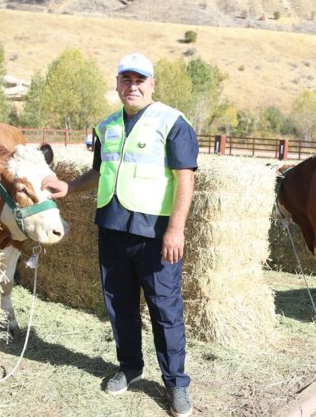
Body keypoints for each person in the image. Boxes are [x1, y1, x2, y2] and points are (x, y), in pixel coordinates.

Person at [42, 52, 199, 416]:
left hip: (155, 236)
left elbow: (185, 179)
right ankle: (129, 367)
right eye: (126, 80)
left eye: (139, 80)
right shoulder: (107, 126)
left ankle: (175, 384)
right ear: (116, 84)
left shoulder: (172, 122)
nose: (132, 86)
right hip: (112, 229)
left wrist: (176, 230)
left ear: (152, 85)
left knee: (165, 312)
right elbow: (99, 172)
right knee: (120, 308)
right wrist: (69, 187)